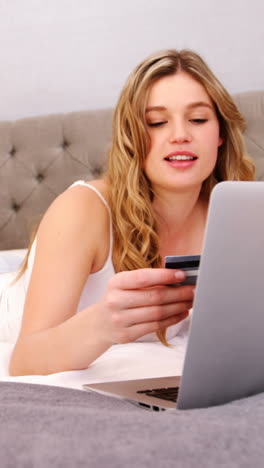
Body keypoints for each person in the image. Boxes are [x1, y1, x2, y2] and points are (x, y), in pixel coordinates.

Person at [1, 49, 255, 376]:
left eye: (198, 119)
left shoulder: (235, 216)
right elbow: (25, 361)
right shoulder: (82, 209)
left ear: (219, 133)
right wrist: (104, 325)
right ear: (132, 137)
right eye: (157, 122)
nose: (180, 135)